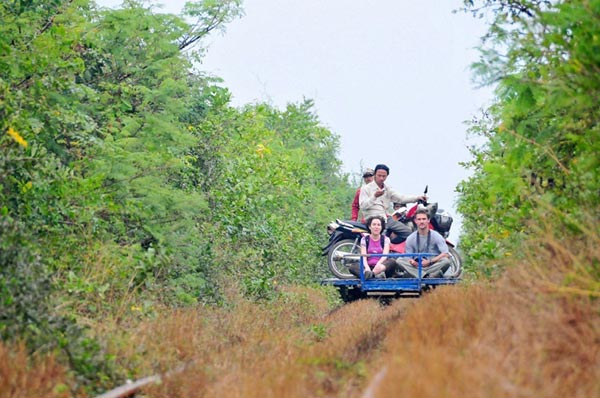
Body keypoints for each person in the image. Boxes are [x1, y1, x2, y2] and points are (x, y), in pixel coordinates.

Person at [359, 164, 425, 242]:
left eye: (384, 176)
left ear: (387, 176)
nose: (381, 178)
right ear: (375, 175)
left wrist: (417, 198)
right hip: (373, 219)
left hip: (386, 218)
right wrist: (374, 196)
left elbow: (401, 198)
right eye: (379, 175)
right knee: (379, 240)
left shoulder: (387, 189)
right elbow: (363, 206)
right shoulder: (366, 189)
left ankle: (391, 247)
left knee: (408, 233)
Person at [395, 208, 452, 278]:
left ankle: (421, 275)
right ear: (415, 221)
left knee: (446, 261)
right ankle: (425, 276)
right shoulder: (410, 238)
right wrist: (412, 262)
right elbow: (408, 257)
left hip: (432, 266)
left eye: (424, 219)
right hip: (416, 268)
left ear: (428, 220)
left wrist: (430, 261)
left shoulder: (436, 236)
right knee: (399, 260)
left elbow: (446, 254)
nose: (421, 221)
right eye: (419, 219)